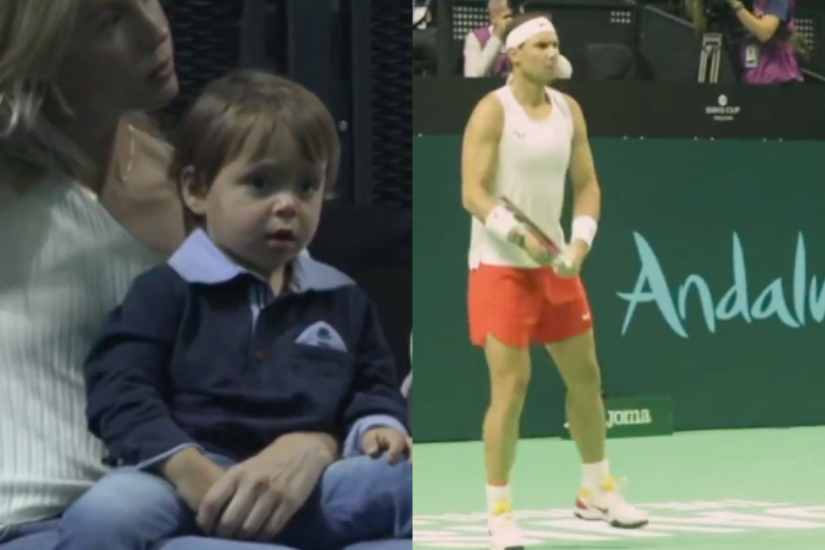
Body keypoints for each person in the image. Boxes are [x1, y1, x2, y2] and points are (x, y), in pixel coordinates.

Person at [0, 1, 409, 550]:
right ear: (36, 51)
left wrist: (318, 442)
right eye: (109, 20)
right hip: (47, 516)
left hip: (216, 500)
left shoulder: (210, 185)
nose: (154, 29)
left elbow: (321, 367)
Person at [460, 13, 648, 550]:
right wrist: (523, 241)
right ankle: (498, 511)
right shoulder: (491, 111)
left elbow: (587, 186)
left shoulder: (570, 111)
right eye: (541, 44)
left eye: (555, 44)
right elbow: (473, 193)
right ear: (514, 54)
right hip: (499, 268)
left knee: (586, 379)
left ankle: (597, 490)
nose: (551, 52)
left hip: (559, 270)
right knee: (510, 388)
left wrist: (578, 245)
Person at [463, 0, 572, 81]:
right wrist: (497, 37)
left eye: (517, 15)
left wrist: (538, 38)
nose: (513, 20)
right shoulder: (477, 38)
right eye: (508, 16)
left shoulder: (527, 35)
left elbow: (566, 73)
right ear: (493, 17)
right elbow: (473, 76)